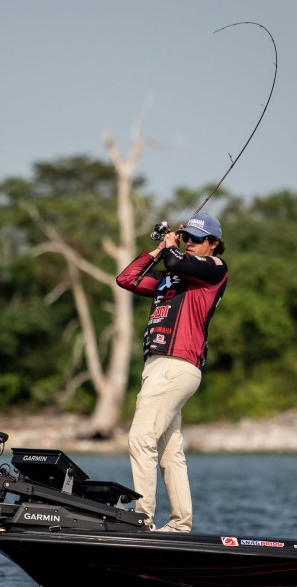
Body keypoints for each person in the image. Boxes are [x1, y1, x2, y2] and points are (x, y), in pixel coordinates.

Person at [115, 211, 228, 532]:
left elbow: (178, 262)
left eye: (196, 239)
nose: (189, 243)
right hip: (159, 366)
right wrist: (156, 249)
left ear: (213, 243)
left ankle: (141, 520)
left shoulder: (214, 268)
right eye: (186, 237)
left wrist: (169, 245)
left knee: (140, 438)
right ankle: (180, 524)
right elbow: (127, 279)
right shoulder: (170, 277)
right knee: (168, 450)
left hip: (176, 364)